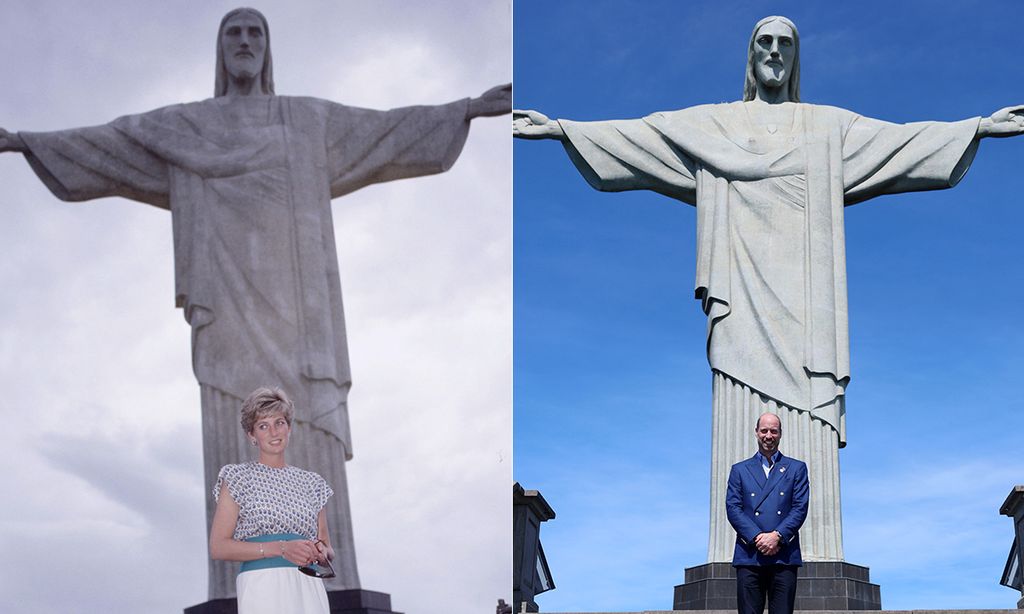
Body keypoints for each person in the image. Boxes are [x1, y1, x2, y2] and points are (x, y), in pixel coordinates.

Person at [0, 7, 510, 598]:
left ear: (268, 48)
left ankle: (328, 581)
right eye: (233, 33)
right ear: (220, 50)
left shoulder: (307, 120)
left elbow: (387, 129)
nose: (244, 42)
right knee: (235, 426)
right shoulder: (187, 127)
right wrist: (23, 142)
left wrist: (466, 108)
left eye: (254, 33)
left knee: (306, 425)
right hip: (226, 308)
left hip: (301, 311)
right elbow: (111, 143)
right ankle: (237, 586)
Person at [513, 15, 1024, 562]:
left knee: (810, 406)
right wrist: (563, 129)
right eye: (765, 42)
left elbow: (900, 142)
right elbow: (645, 136)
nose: (775, 51)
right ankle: (735, 550)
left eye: (785, 43)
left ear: (795, 57)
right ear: (751, 55)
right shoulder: (715, 125)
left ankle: (815, 550)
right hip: (740, 292)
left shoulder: (826, 127)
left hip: (808, 298)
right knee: (736, 400)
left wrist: (977, 127)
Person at [210, 386, 335, 613]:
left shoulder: (313, 483)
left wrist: (319, 552)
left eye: (279, 422)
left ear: (289, 427)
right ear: (251, 435)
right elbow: (218, 547)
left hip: (308, 584)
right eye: (263, 426)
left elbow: (326, 546)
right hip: (262, 585)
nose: (274, 432)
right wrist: (282, 548)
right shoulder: (237, 477)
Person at [726, 412, 808, 614]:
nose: (768, 436)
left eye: (773, 431)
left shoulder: (796, 468)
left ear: (780, 434)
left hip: (784, 554)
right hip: (749, 554)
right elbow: (733, 508)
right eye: (764, 431)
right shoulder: (739, 470)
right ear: (756, 432)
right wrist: (757, 537)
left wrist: (777, 536)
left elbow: (800, 507)